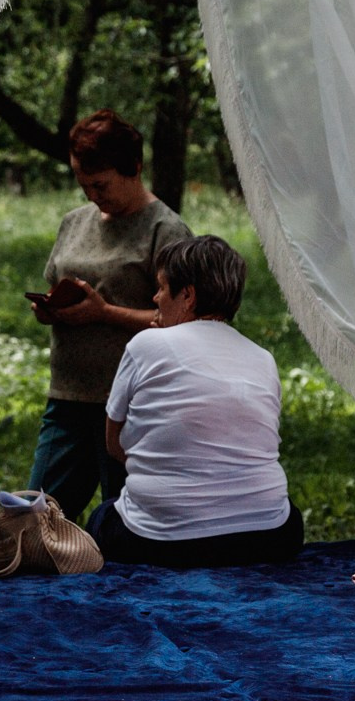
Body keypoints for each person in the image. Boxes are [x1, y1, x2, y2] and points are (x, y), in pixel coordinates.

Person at [87, 235, 303, 567]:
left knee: (103, 517)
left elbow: (113, 444)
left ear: (187, 296)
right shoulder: (263, 358)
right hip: (268, 536)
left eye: (161, 288)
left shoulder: (146, 345)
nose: (155, 298)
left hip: (162, 541)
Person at [25, 110, 191, 521]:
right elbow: (57, 281)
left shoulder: (165, 231)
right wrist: (51, 310)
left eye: (101, 185)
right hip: (68, 395)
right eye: (84, 186)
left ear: (134, 168)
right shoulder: (74, 223)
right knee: (34, 515)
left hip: (133, 403)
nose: (93, 196)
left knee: (124, 523)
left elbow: (182, 322)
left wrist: (104, 314)